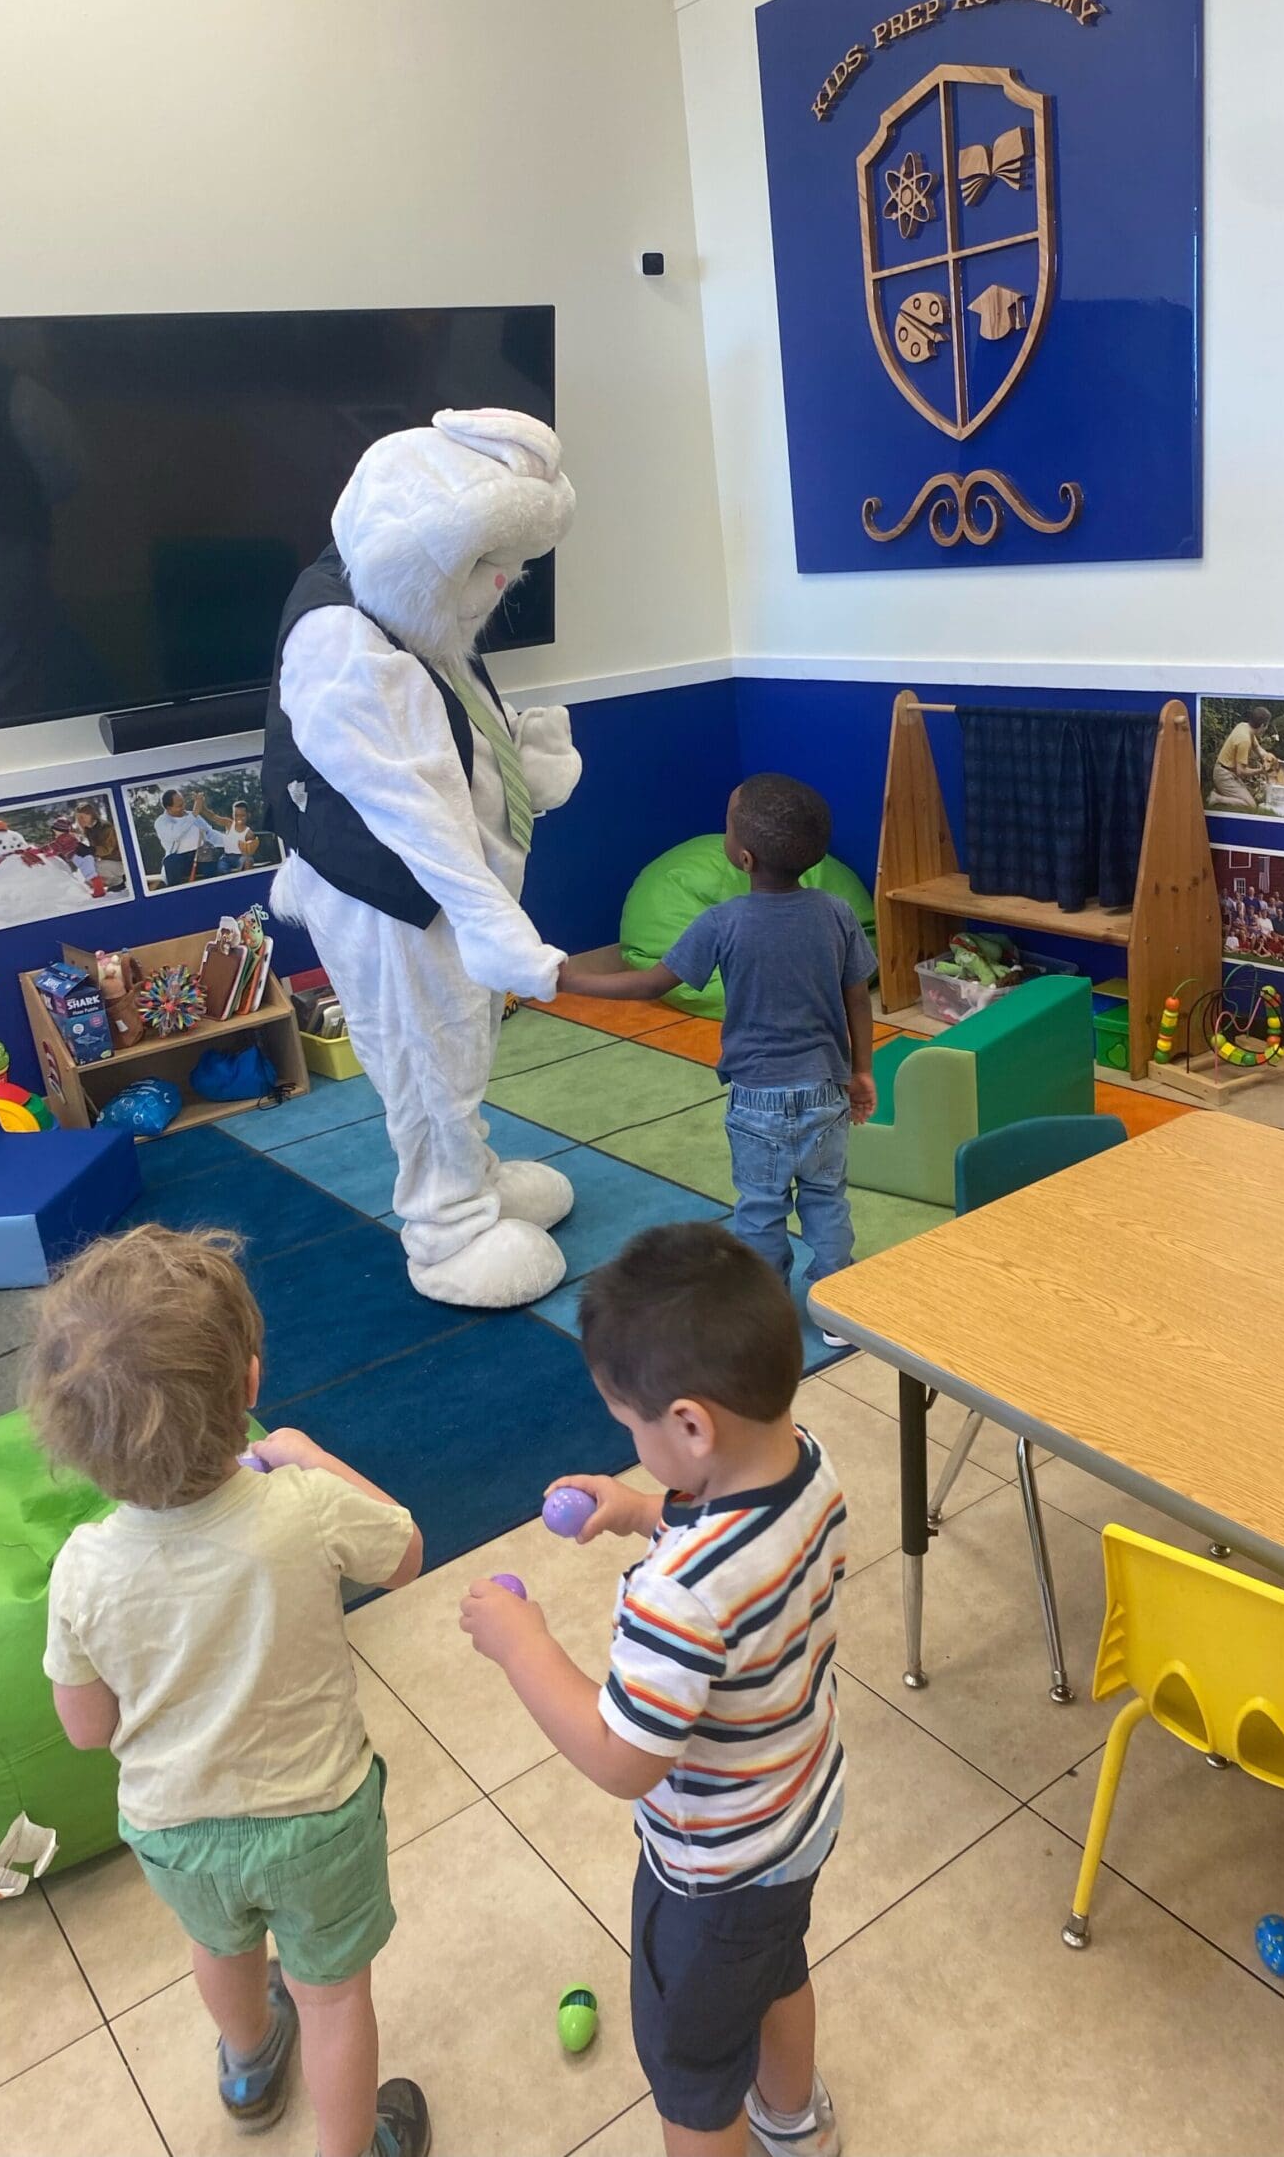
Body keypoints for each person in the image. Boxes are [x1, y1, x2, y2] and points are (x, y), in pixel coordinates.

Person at [28, 1226, 431, 2157]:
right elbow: (406, 1550)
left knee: (222, 1948)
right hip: (318, 1817)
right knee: (334, 1996)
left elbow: (87, 1728)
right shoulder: (301, 1505)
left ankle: (248, 2060)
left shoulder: (82, 1569)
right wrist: (304, 1451)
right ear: (248, 1387)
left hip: (176, 1829)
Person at [459, 1223, 847, 2157]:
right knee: (777, 1967)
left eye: (630, 1425)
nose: (627, 1440)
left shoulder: (677, 1595)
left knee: (690, 2061)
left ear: (688, 1425)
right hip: (800, 1815)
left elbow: (623, 1756)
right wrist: (642, 1508)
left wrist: (523, 1647)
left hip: (712, 1867)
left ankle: (755, 2125)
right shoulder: (808, 1462)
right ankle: (795, 2124)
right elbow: (728, 1527)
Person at [557, 776, 877, 1338]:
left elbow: (650, 985)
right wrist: (863, 1070)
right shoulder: (836, 912)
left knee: (760, 1208)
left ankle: (767, 1309)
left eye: (728, 823)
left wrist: (569, 979)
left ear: (743, 856)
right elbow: (858, 996)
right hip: (826, 1092)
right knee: (828, 1201)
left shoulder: (722, 922)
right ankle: (837, 1309)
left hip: (756, 1101)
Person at [152, 787, 228, 887]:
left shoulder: (192, 815)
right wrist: (194, 813)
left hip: (201, 854)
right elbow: (175, 835)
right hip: (180, 860)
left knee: (210, 855)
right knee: (171, 861)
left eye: (183, 803)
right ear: (169, 808)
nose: (183, 807)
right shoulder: (161, 822)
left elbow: (209, 832)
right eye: (179, 806)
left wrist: (231, 840)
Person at [1209, 708, 1278, 809]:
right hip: (1224, 775)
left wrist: (1272, 760)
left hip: (1228, 772)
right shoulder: (1244, 740)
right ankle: (1216, 798)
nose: (1266, 728)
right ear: (1263, 725)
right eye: (1267, 725)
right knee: (1251, 805)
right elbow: (1241, 771)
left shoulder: (1243, 726)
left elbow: (1258, 748)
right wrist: (1261, 771)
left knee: (1252, 795)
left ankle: (1223, 792)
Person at [73, 800, 127, 890]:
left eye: (83, 817)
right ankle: (108, 883)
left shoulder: (105, 828)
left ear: (91, 815)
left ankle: (118, 882)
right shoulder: (89, 830)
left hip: (121, 863)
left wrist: (91, 850)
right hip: (108, 864)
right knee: (89, 877)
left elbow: (107, 849)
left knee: (95, 867)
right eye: (78, 818)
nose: (80, 820)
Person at [219, 799, 260, 875]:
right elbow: (213, 817)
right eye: (236, 815)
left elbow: (250, 852)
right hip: (226, 857)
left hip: (241, 857)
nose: (239, 818)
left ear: (248, 815)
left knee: (248, 861)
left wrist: (247, 851)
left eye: (242, 816)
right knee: (221, 868)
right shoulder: (228, 824)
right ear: (232, 815)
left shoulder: (249, 833)